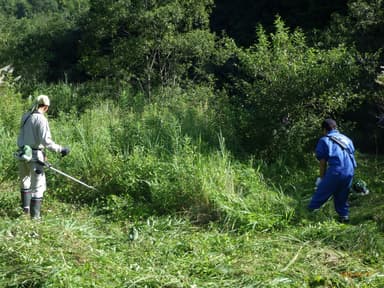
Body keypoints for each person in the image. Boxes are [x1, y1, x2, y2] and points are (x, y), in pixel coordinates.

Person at [17, 95, 70, 219]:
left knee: (25, 181)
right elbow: (46, 142)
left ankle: (25, 211)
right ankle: (35, 219)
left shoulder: (25, 116)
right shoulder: (41, 119)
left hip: (22, 153)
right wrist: (61, 149)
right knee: (38, 187)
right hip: (35, 156)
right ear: (46, 107)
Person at [308, 118, 357, 223]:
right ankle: (344, 217)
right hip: (350, 171)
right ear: (336, 127)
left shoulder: (324, 140)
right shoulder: (347, 139)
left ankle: (306, 216)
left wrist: (321, 178)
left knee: (321, 193)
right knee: (342, 195)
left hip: (336, 170)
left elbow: (322, 162)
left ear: (324, 129)